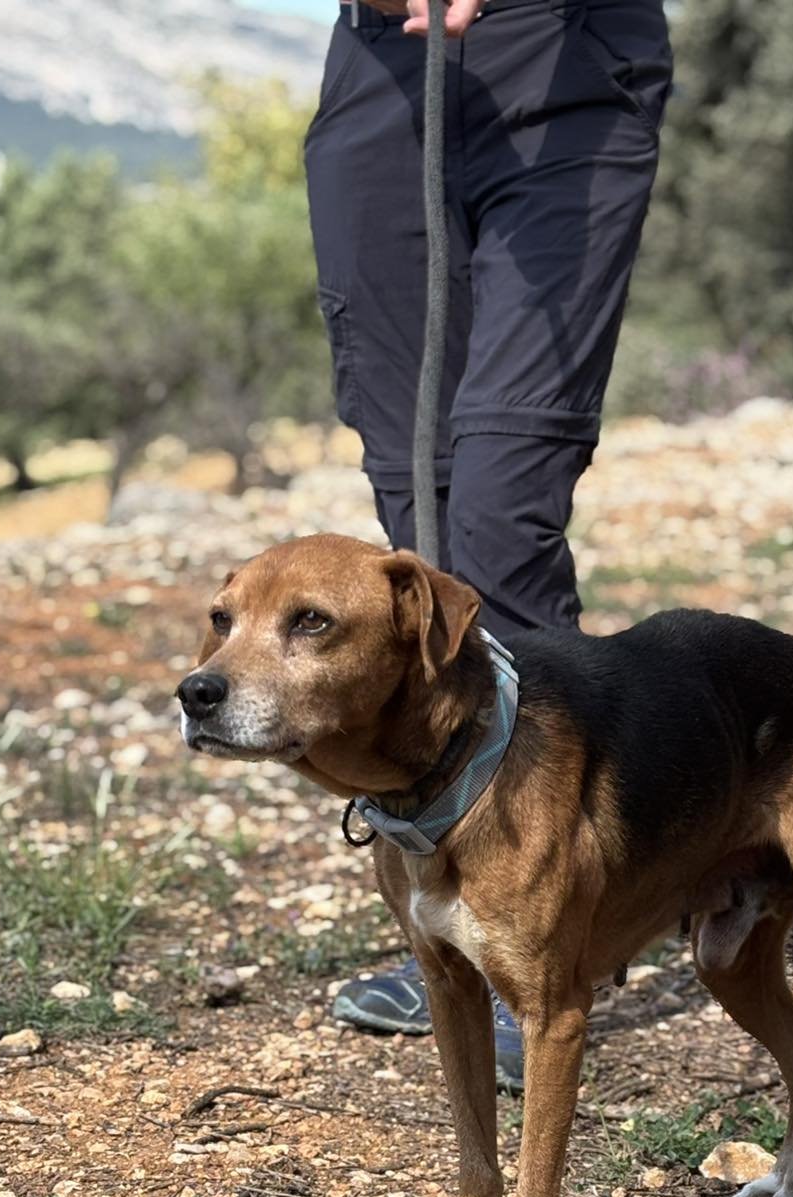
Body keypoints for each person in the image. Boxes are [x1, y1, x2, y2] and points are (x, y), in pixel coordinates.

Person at [304, 0, 671, 1087]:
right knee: (414, 506)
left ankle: (543, 933)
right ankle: (458, 915)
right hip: (382, 69)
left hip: (563, 58)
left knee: (504, 502)